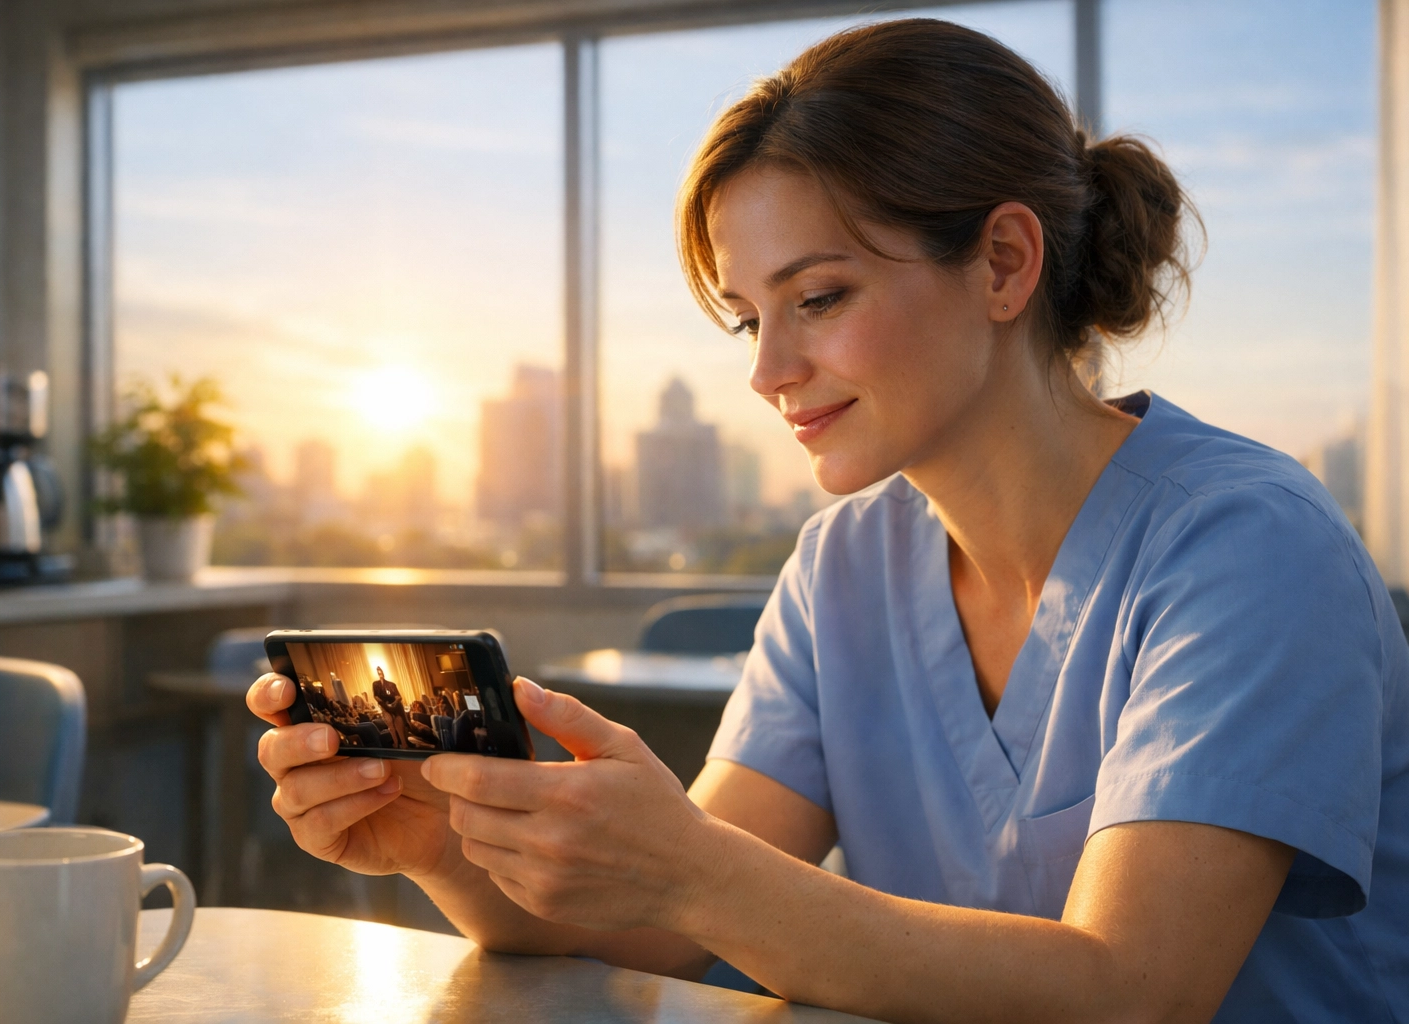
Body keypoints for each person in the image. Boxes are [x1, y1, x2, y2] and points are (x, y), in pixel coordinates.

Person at [246, 19, 1409, 1022]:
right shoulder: (845, 566)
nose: (771, 370)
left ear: (1004, 262)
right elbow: (660, 926)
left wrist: (687, 867)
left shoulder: (1249, 548)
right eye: (750, 318)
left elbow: (1134, 990)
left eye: (818, 298)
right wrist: (441, 850)